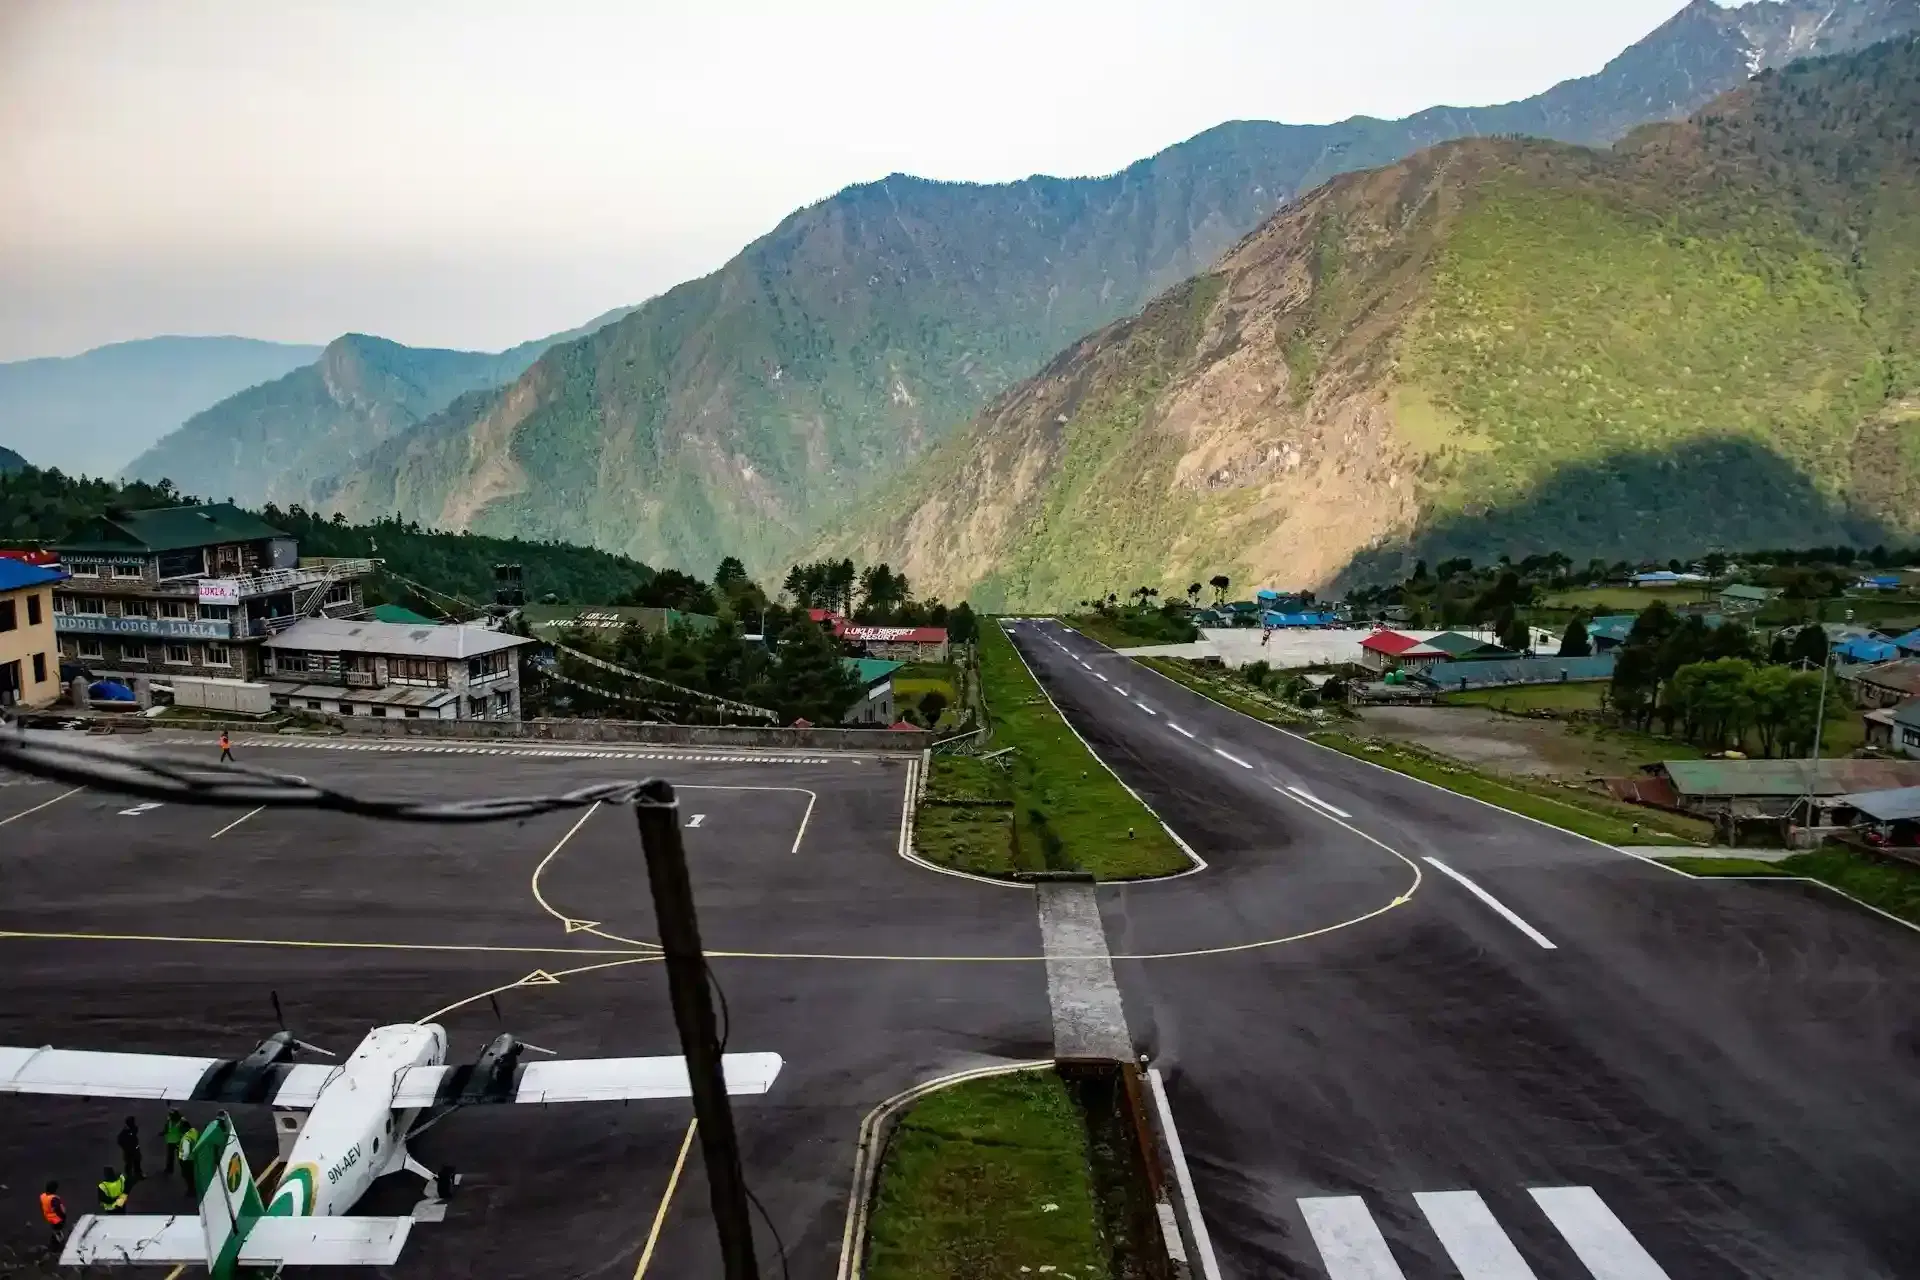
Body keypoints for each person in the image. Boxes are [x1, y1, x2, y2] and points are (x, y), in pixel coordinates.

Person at [39, 1181, 68, 1255]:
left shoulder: (43, 1196)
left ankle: (54, 1243)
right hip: (57, 1218)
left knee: (55, 1230)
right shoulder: (54, 1199)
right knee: (58, 1231)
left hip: (49, 1216)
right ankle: (60, 1246)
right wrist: (63, 1213)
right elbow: (61, 1210)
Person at [162, 1109, 189, 1176]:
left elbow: (165, 1129)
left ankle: (169, 1169)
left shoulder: (169, 1121)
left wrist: (163, 1133)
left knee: (170, 1156)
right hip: (178, 1141)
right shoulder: (181, 1121)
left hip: (170, 1141)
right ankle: (185, 1170)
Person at [116, 1116, 143, 1184]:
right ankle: (129, 1176)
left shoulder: (132, 1129)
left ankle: (137, 1174)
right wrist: (126, 1147)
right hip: (129, 1150)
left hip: (134, 1149)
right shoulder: (125, 1131)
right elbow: (120, 1141)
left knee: (136, 1162)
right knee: (129, 1164)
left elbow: (135, 1131)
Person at [177, 1121, 200, 1193]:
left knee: (188, 1176)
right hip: (194, 1158)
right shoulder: (194, 1131)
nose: (179, 1130)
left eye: (180, 1128)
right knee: (193, 1175)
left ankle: (191, 1191)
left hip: (187, 1161)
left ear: (184, 1128)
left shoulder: (186, 1139)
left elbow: (186, 1152)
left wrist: (183, 1160)